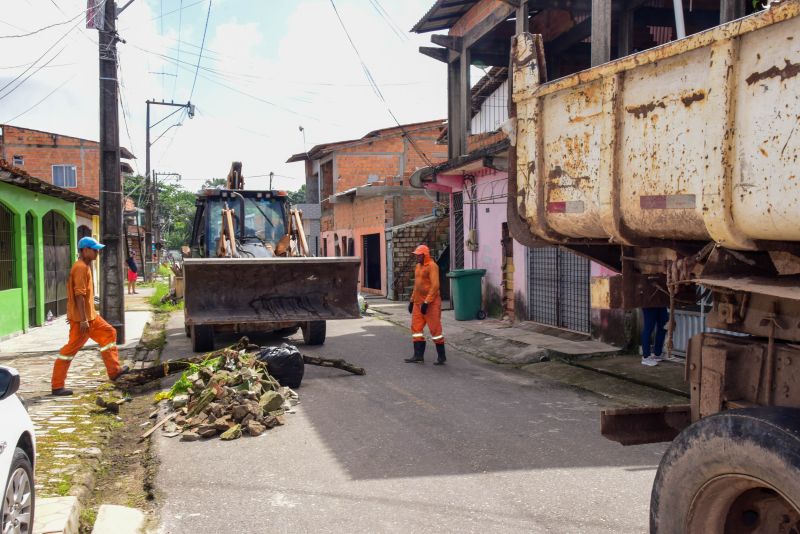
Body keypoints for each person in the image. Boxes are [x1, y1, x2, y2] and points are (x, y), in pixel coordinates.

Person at [51, 237, 129, 396]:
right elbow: (79, 295)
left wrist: (73, 313)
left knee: (109, 333)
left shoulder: (84, 266)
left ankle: (114, 371)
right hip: (84, 320)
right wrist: (83, 319)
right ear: (85, 250)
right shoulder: (80, 268)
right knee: (69, 351)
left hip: (89, 317)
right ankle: (57, 386)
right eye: (94, 250)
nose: (97, 252)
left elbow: (73, 294)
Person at [404, 244, 446, 365]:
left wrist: (427, 302)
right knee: (416, 329)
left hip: (431, 304)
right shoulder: (418, 266)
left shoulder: (432, 266)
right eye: (416, 255)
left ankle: (441, 357)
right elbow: (416, 286)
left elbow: (435, 286)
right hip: (418, 303)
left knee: (435, 330)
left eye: (419, 255)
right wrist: (412, 301)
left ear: (425, 255)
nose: (417, 257)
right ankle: (418, 356)